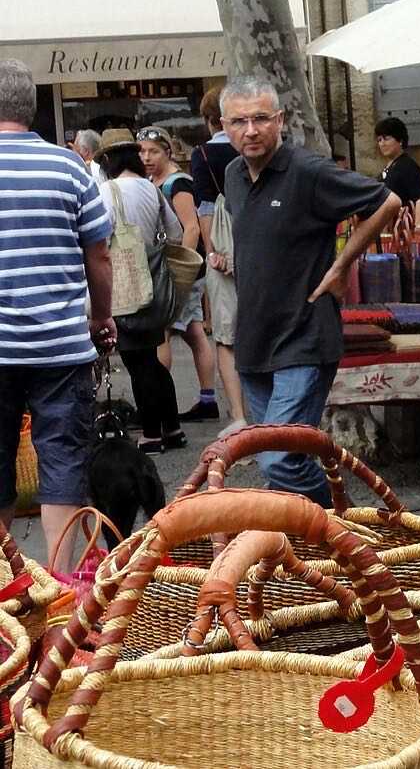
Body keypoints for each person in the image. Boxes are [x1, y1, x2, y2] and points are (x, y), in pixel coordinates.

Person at [221, 77, 402, 505]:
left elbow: (387, 202)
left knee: (279, 460)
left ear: (279, 120)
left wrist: (342, 265)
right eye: (239, 121)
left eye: (261, 118)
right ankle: (330, 544)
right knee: (279, 458)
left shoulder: (307, 170)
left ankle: (344, 535)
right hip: (254, 340)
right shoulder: (231, 175)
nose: (251, 130)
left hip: (304, 336)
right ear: (224, 126)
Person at [0, 58, 114, 570]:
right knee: (63, 460)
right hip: (62, 346)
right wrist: (101, 318)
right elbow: (101, 256)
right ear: (32, 106)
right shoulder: (71, 168)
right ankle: (62, 583)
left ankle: (6, 588)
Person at [94, 129, 187, 454]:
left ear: (107, 160)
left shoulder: (107, 190)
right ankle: (172, 428)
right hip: (155, 283)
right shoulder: (151, 188)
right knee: (151, 358)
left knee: (138, 363)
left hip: (125, 287)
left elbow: (98, 241)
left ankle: (151, 433)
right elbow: (175, 233)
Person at [138, 125, 218, 423]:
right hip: (174, 269)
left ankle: (159, 404)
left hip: (177, 271)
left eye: (153, 151)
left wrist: (180, 270)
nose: (146, 157)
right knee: (194, 331)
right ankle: (207, 398)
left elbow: (192, 227)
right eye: (142, 151)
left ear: (167, 152)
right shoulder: (154, 180)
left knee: (163, 333)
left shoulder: (177, 184)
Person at [191, 88, 246, 437]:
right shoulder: (251, 147)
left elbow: (206, 207)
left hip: (224, 249)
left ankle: (240, 415)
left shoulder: (202, 155)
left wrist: (213, 250)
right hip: (257, 245)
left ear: (210, 120)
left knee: (226, 337)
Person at [375, 117, 420, 224]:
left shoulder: (408, 166)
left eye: (386, 139)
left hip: (402, 226)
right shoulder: (390, 166)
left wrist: (418, 227)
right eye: (379, 140)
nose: (382, 143)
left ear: (400, 140)